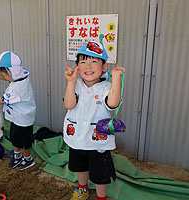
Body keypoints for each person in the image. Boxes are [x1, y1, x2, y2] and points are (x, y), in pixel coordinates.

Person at [63, 41, 125, 200]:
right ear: (77, 67)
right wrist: (70, 82)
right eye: (83, 62)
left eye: (94, 61)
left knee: (100, 174)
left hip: (98, 143)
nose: (88, 66)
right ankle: (82, 189)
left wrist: (116, 78)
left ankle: (101, 197)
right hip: (77, 138)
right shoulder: (75, 84)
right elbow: (69, 104)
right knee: (81, 167)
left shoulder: (106, 87)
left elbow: (113, 103)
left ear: (104, 67)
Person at [0, 51, 36, 170]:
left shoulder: (18, 87)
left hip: (24, 120)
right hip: (16, 117)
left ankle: (28, 159)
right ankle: (17, 155)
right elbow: (8, 78)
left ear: (10, 71)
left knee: (24, 142)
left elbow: (4, 99)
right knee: (14, 137)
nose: (3, 76)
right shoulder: (20, 76)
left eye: (4, 74)